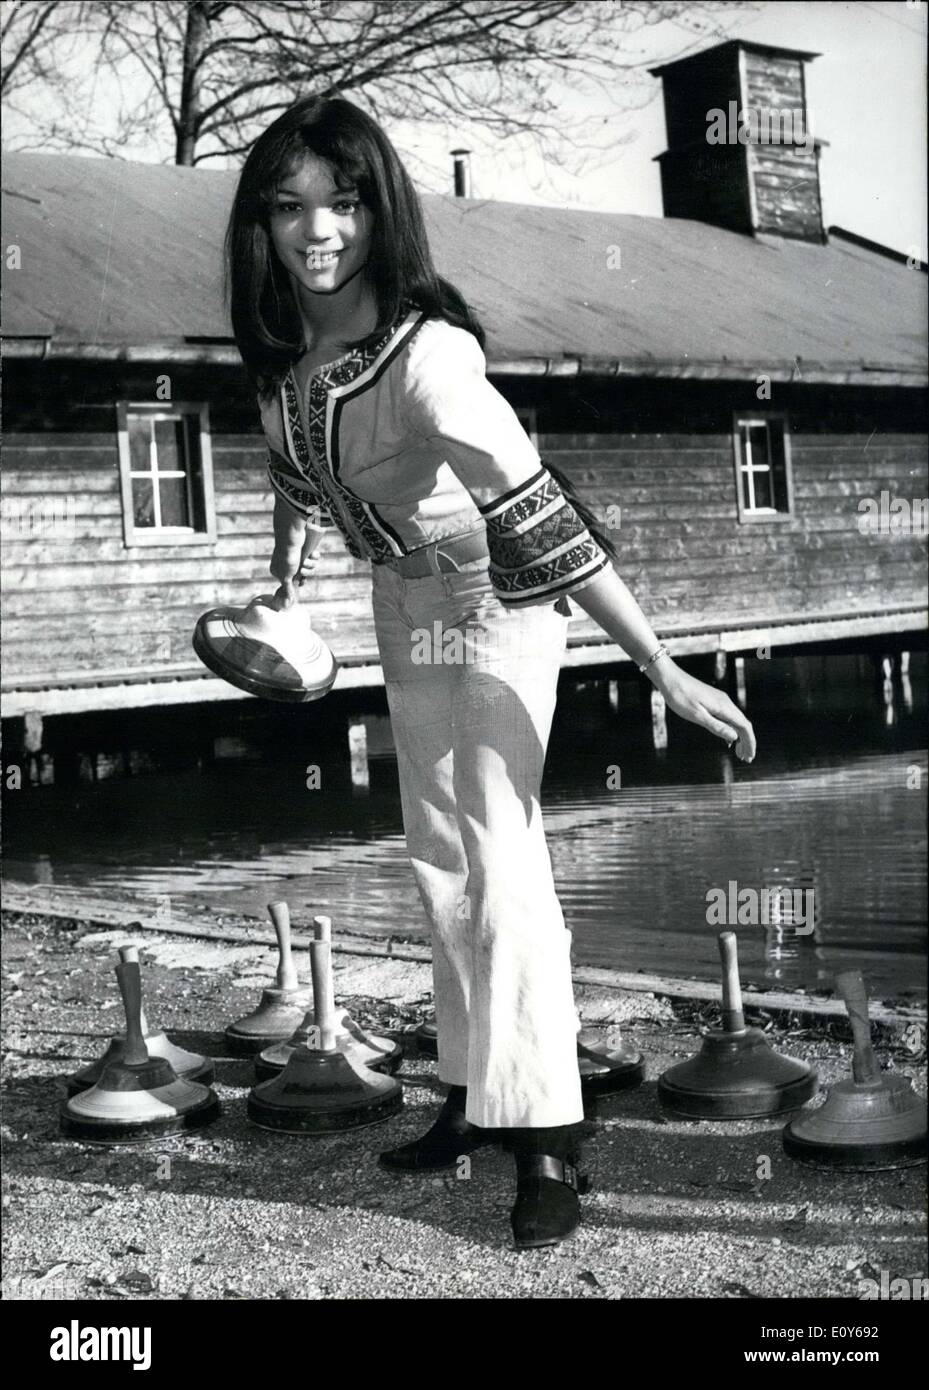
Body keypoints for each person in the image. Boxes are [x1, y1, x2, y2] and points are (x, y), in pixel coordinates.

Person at [225, 95, 756, 1251]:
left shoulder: (431, 358)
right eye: (290, 206)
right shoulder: (288, 364)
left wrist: (660, 666)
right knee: (439, 854)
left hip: (492, 592)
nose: (318, 230)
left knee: (502, 859)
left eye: (344, 201)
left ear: (380, 212)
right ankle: (471, 1093)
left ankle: (548, 1131)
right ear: (261, 225)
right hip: (402, 599)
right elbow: (299, 481)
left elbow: (537, 512)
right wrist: (280, 592)